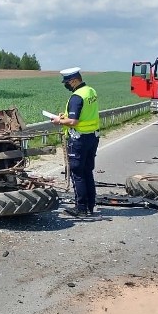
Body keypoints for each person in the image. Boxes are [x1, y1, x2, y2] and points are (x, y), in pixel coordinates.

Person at [51, 67, 100, 218]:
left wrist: (60, 121)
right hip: (93, 137)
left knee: (77, 173)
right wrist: (64, 115)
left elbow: (73, 121)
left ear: (74, 80)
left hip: (79, 139)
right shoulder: (90, 91)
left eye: (67, 82)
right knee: (87, 171)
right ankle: (90, 205)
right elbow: (85, 113)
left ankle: (81, 208)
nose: (66, 85)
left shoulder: (76, 96)